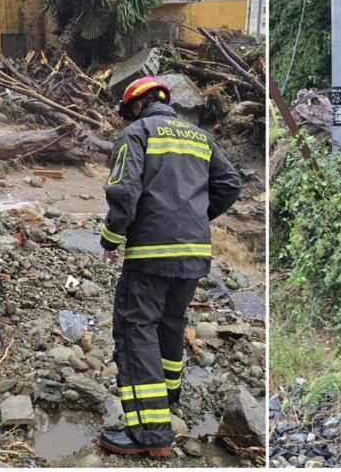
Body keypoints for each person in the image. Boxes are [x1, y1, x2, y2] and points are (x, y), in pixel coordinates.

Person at [98, 76, 241, 457]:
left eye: (129, 112)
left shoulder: (137, 133)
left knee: (135, 329)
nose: (129, 118)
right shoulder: (199, 137)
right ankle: (168, 397)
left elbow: (124, 189)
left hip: (150, 252)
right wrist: (195, 216)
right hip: (193, 253)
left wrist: (111, 238)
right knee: (171, 322)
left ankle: (151, 433)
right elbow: (230, 184)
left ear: (137, 105)